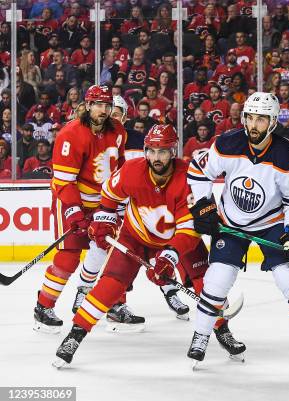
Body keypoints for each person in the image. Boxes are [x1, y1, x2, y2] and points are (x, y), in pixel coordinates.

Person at [53, 124, 245, 366]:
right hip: (135, 237)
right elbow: (109, 194)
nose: (156, 157)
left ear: (172, 151)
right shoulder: (132, 170)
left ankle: (222, 330)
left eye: (162, 151)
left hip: (179, 240)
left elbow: (189, 230)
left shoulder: (188, 178)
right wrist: (104, 220)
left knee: (205, 283)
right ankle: (75, 335)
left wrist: (168, 258)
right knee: (108, 286)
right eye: (151, 151)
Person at [186, 92, 289, 366]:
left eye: (261, 119)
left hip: (271, 224)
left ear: (273, 122)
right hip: (230, 223)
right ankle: (200, 335)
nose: (254, 125)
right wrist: (204, 206)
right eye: (250, 118)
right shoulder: (228, 143)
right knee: (217, 279)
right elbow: (198, 171)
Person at [33, 85, 142, 334]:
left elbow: (121, 166)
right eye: (98, 105)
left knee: (115, 254)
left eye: (107, 105)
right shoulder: (71, 134)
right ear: (88, 105)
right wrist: (75, 212)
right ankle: (44, 305)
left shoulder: (118, 131)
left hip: (105, 201)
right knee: (69, 257)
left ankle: (114, 304)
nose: (103, 110)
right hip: (73, 198)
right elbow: (63, 181)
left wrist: (124, 194)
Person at [110, 96, 190, 317]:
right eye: (108, 112)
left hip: (146, 204)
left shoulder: (139, 141)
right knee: (120, 257)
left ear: (125, 116)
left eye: (116, 113)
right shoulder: (98, 140)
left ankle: (170, 290)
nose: (112, 117)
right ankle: (116, 302)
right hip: (117, 206)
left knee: (164, 249)